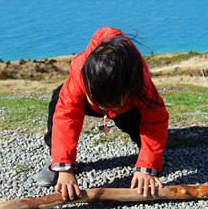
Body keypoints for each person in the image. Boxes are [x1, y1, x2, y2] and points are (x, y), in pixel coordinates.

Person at [37, 27, 169, 200]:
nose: (102, 108)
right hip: (95, 100)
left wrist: (147, 166)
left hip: (127, 107)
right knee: (58, 100)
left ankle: (148, 156)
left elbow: (155, 121)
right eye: (97, 101)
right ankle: (55, 159)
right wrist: (64, 167)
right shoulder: (80, 71)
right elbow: (66, 117)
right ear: (86, 78)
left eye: (106, 105)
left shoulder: (141, 84)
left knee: (145, 136)